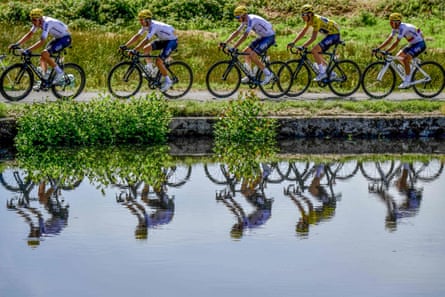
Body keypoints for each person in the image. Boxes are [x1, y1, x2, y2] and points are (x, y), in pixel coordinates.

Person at [9, 8, 71, 85]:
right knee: (43, 57)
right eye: (32, 20)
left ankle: (59, 72)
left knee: (45, 53)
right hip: (58, 38)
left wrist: (28, 50)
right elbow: (30, 34)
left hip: (65, 38)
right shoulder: (38, 22)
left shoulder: (47, 23)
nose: (33, 22)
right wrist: (17, 44)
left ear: (40, 19)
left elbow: (42, 41)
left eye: (35, 20)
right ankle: (45, 79)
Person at [120, 9, 178, 92]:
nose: (140, 22)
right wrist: (125, 45)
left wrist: (134, 50)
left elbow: (146, 40)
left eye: (141, 20)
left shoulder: (154, 26)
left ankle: (168, 81)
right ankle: (150, 68)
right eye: (139, 20)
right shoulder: (146, 25)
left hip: (172, 41)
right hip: (163, 39)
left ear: (147, 20)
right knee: (146, 48)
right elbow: (137, 36)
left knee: (158, 61)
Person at [219, 5, 275, 85]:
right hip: (263, 37)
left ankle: (269, 74)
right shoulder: (245, 20)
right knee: (246, 51)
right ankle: (250, 75)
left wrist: (234, 47)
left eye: (238, 18)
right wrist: (225, 42)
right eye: (236, 18)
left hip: (269, 37)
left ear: (244, 15)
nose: (238, 20)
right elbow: (237, 32)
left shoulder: (251, 20)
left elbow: (245, 36)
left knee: (252, 55)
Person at [287, 4, 341, 81]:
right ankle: (331, 73)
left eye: (303, 14)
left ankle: (322, 73)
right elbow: (303, 32)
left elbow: (313, 38)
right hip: (330, 35)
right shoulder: (310, 20)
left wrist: (303, 46)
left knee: (314, 50)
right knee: (318, 53)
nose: (302, 16)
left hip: (334, 35)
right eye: (301, 15)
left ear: (309, 14)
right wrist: (293, 42)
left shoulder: (316, 20)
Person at [373, 13, 426, 89]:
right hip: (412, 44)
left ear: (397, 22)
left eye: (392, 22)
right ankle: (410, 70)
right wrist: (378, 48)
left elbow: (396, 42)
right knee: (399, 56)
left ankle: (407, 81)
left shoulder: (403, 28)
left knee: (406, 59)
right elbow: (389, 39)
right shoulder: (395, 28)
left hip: (420, 44)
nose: (390, 24)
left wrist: (387, 51)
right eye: (390, 22)